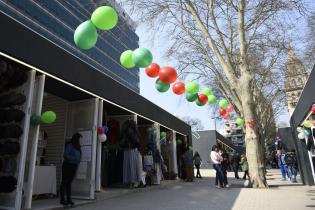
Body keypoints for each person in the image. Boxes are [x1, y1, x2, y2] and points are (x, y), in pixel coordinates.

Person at [60, 133, 82, 206]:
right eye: (80, 139)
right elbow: (65, 155)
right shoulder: (70, 145)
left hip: (74, 166)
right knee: (64, 182)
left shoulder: (78, 147)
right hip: (67, 165)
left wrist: (78, 160)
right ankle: (62, 199)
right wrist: (75, 159)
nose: (81, 140)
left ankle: (69, 199)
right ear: (76, 139)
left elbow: (79, 156)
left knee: (69, 183)